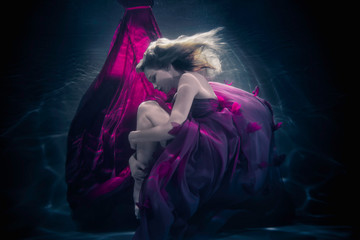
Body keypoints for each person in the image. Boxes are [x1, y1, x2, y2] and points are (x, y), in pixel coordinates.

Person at [128, 27, 293, 240]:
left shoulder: (187, 79)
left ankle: (139, 184)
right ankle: (138, 177)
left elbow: (174, 127)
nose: (154, 85)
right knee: (147, 108)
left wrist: (133, 137)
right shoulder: (193, 79)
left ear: (168, 66)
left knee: (146, 108)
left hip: (207, 147)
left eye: (153, 77)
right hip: (209, 141)